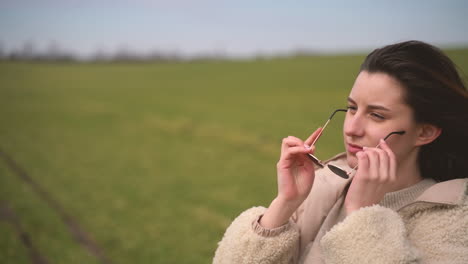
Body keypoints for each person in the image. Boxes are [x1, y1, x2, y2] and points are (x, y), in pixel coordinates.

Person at [213, 40, 468, 264]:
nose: (352, 129)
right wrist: (284, 204)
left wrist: (361, 214)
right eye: (352, 108)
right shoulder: (322, 186)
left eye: (377, 115)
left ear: (425, 133)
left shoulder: (454, 220)